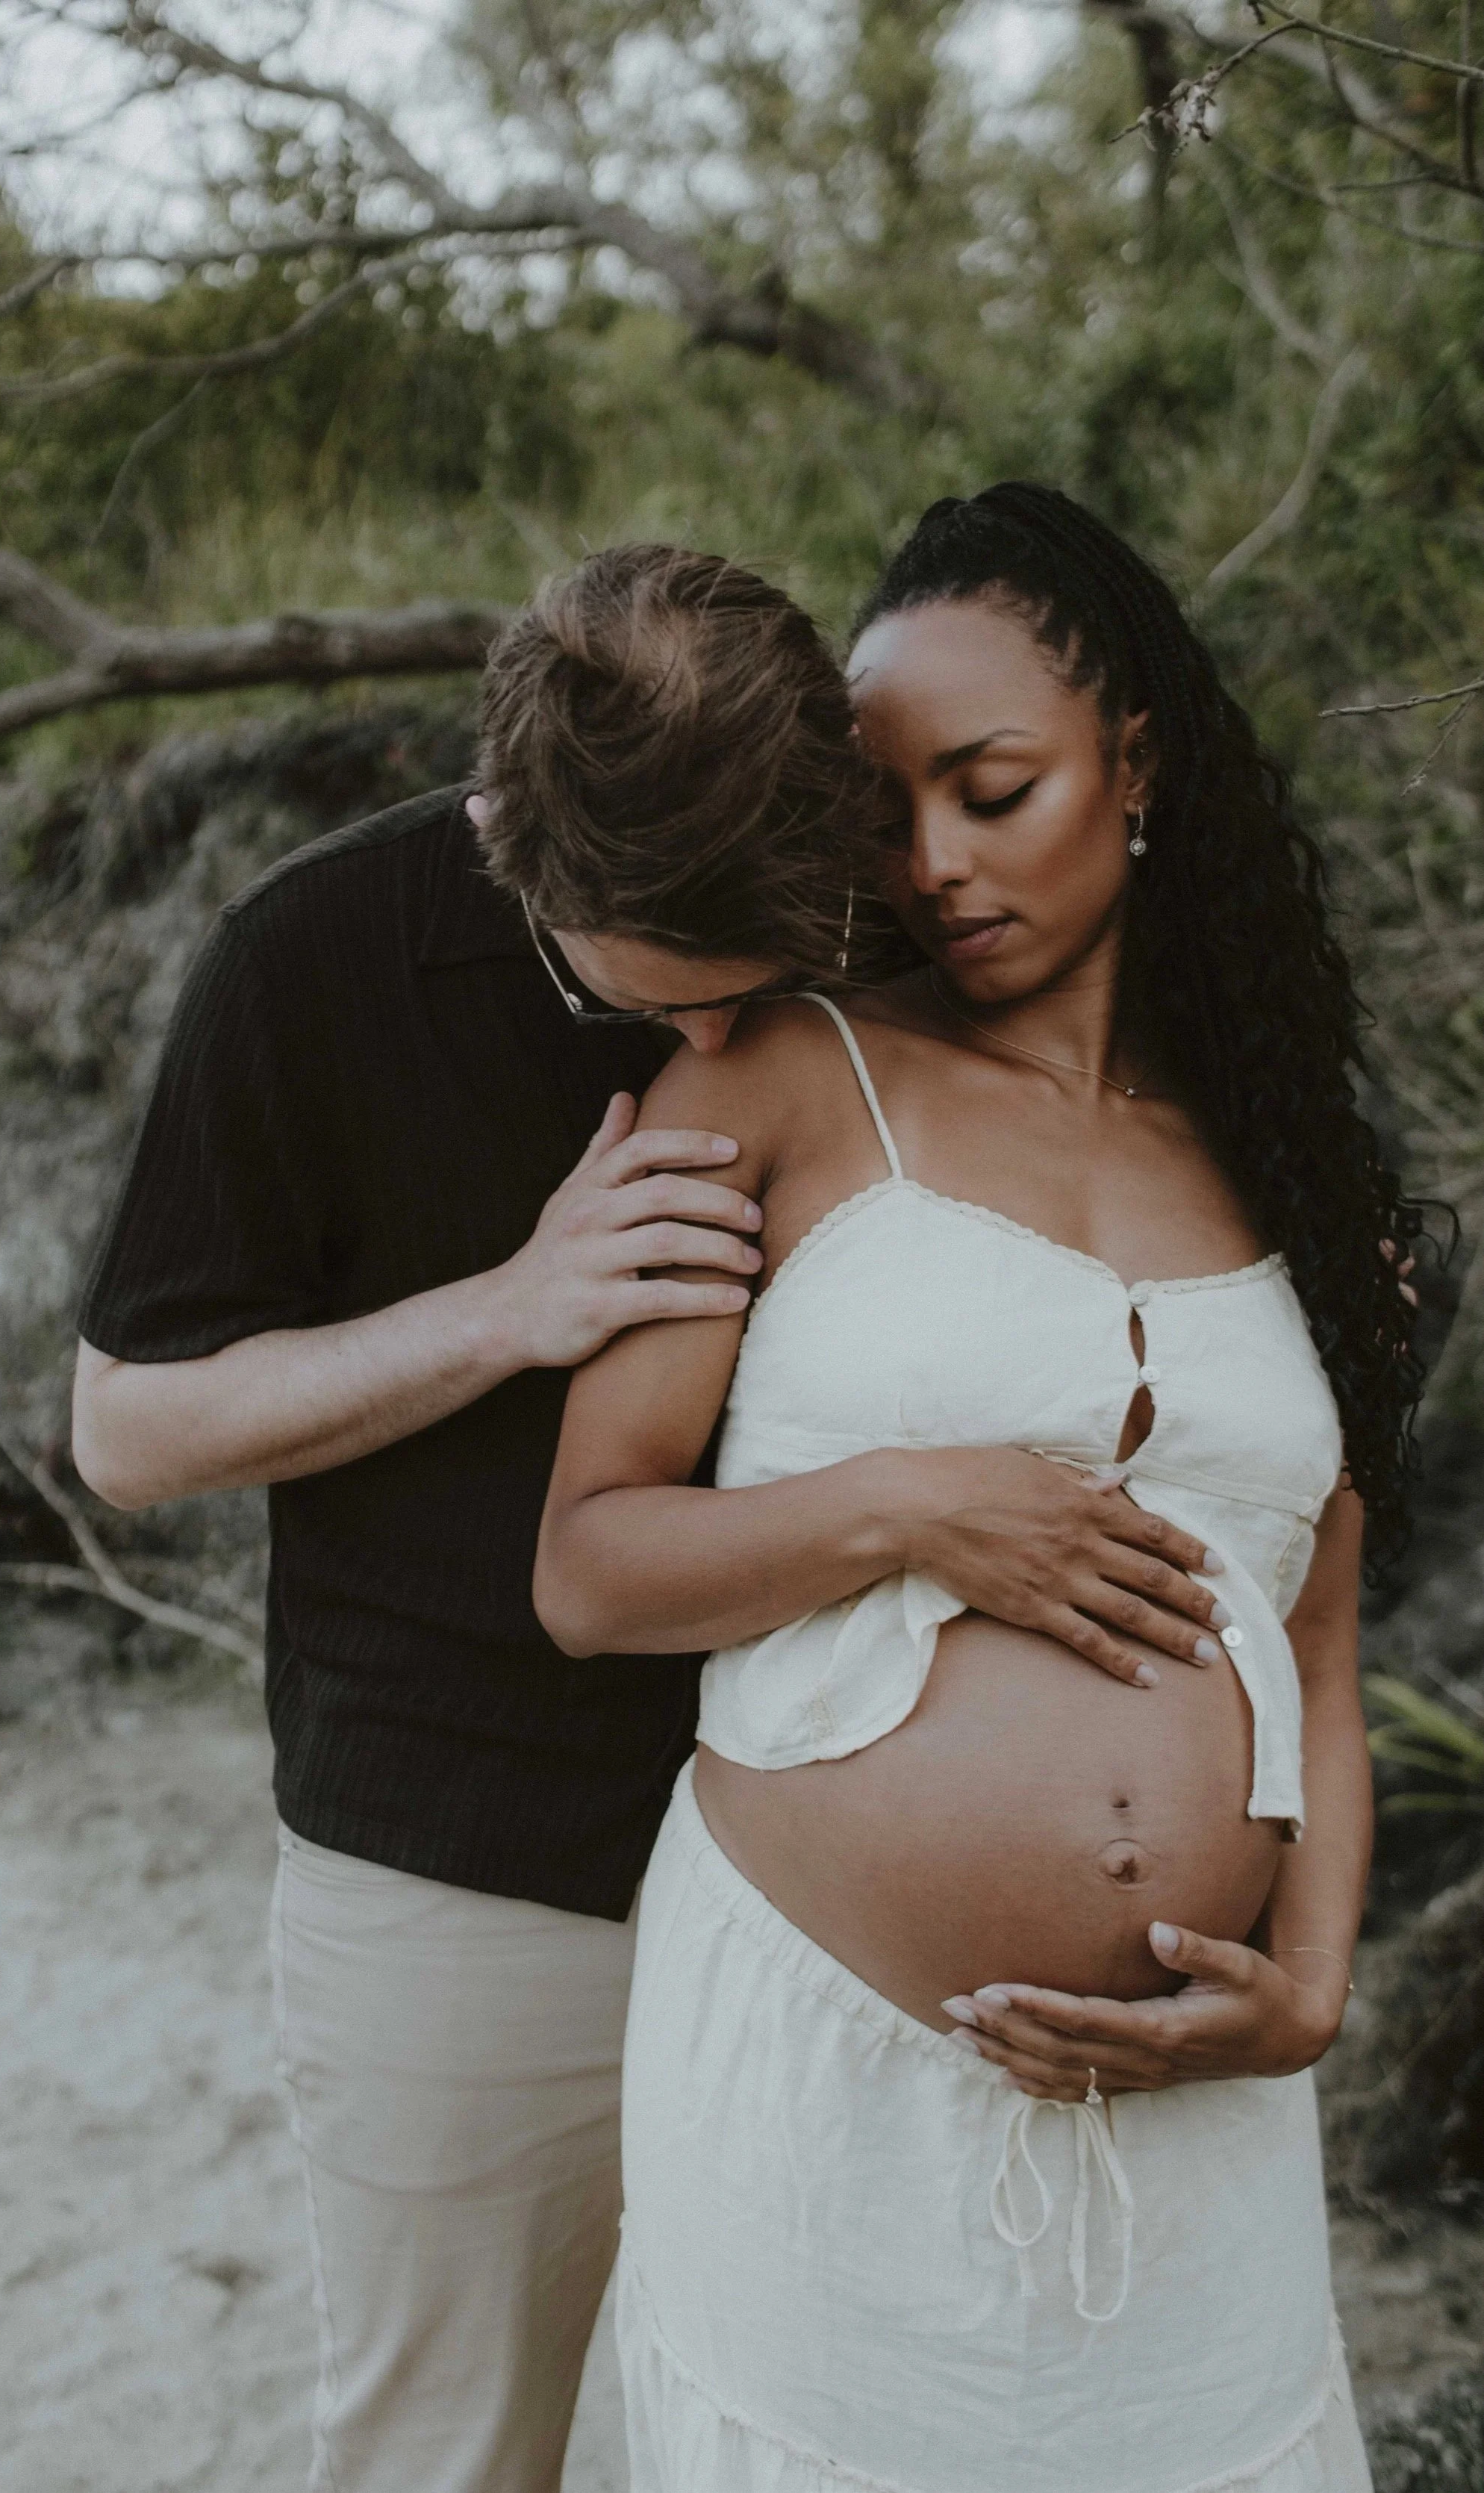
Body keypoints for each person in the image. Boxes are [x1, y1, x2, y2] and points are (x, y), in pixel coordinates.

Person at [72, 538, 1293, 2493]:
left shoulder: (865, 913)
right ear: (521, 864)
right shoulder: (309, 959)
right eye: (674, 1002)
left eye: (770, 988)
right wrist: (510, 1312)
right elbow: (129, 1429)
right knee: (451, 2451)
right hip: (473, 1865)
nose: (731, 1052)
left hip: (809, 1884)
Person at [537, 486, 1429, 2493]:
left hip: (1196, 2113)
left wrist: (1309, 1993)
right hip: (825, 2080)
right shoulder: (779, 1079)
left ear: (1138, 766)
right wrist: (915, 1509)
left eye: (993, 788)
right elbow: (591, 1566)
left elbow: (1320, 1640)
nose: (933, 864)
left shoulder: (1302, 1179)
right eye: (887, 810)